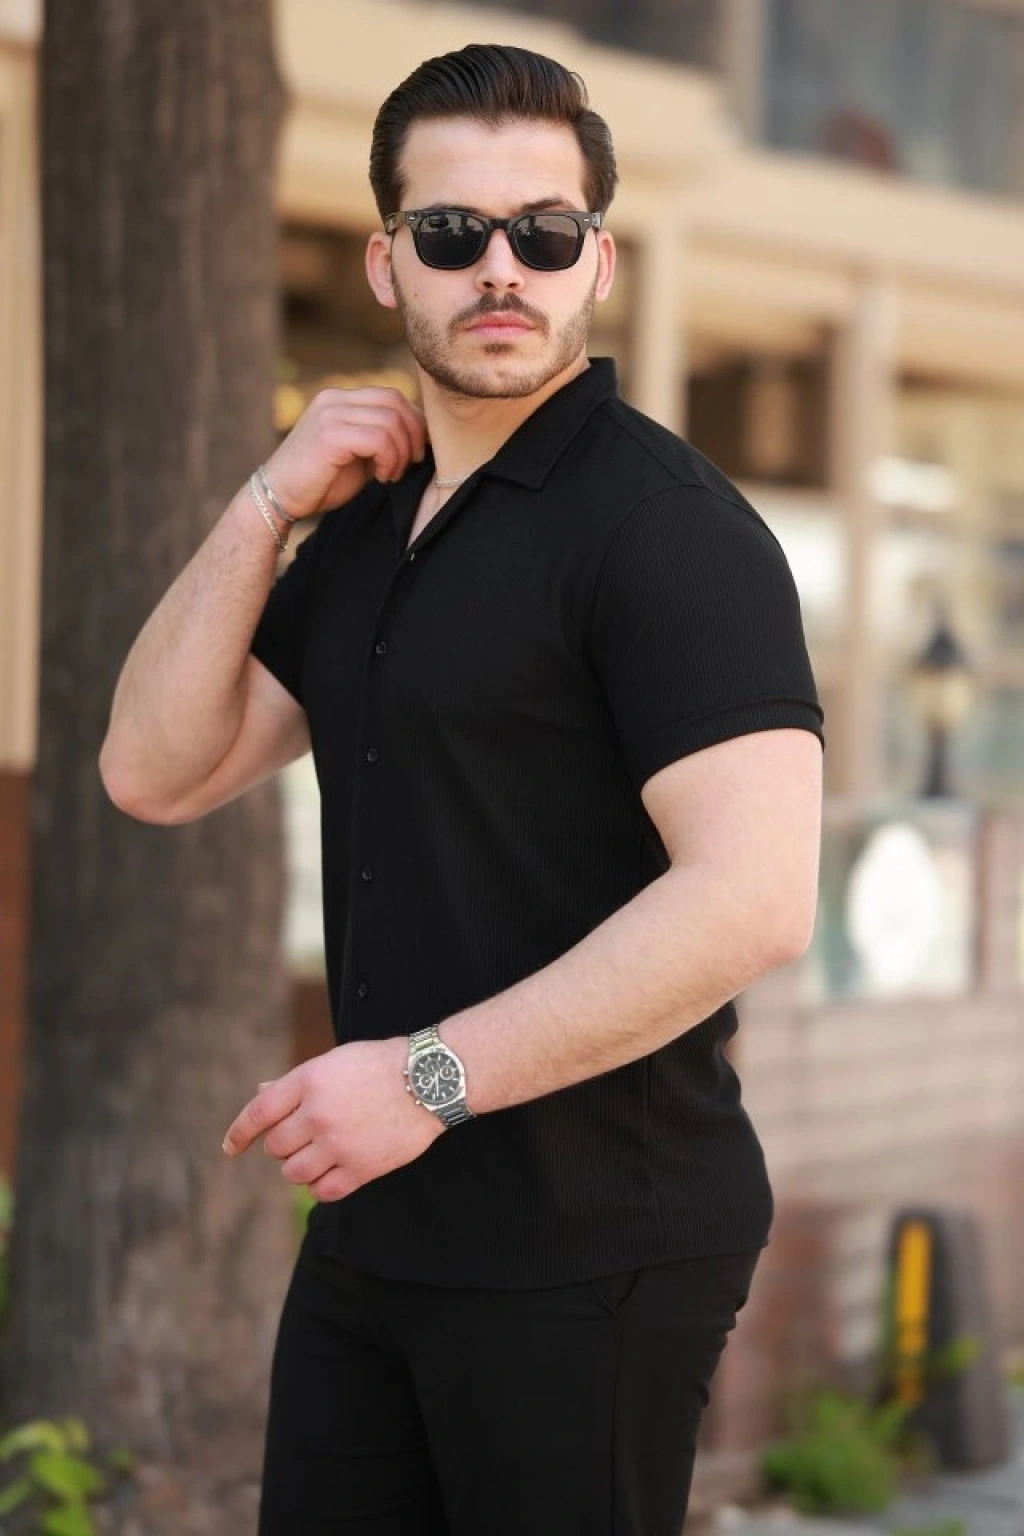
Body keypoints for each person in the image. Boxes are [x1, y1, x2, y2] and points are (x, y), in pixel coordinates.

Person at [100, 42, 825, 1536]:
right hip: (379, 1223)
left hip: (593, 1241)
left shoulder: (668, 531)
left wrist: (421, 1080)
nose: (502, 267)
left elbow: (754, 899)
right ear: (387, 262)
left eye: (544, 232)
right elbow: (152, 771)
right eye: (452, 231)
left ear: (596, 261)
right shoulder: (370, 526)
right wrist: (266, 503)